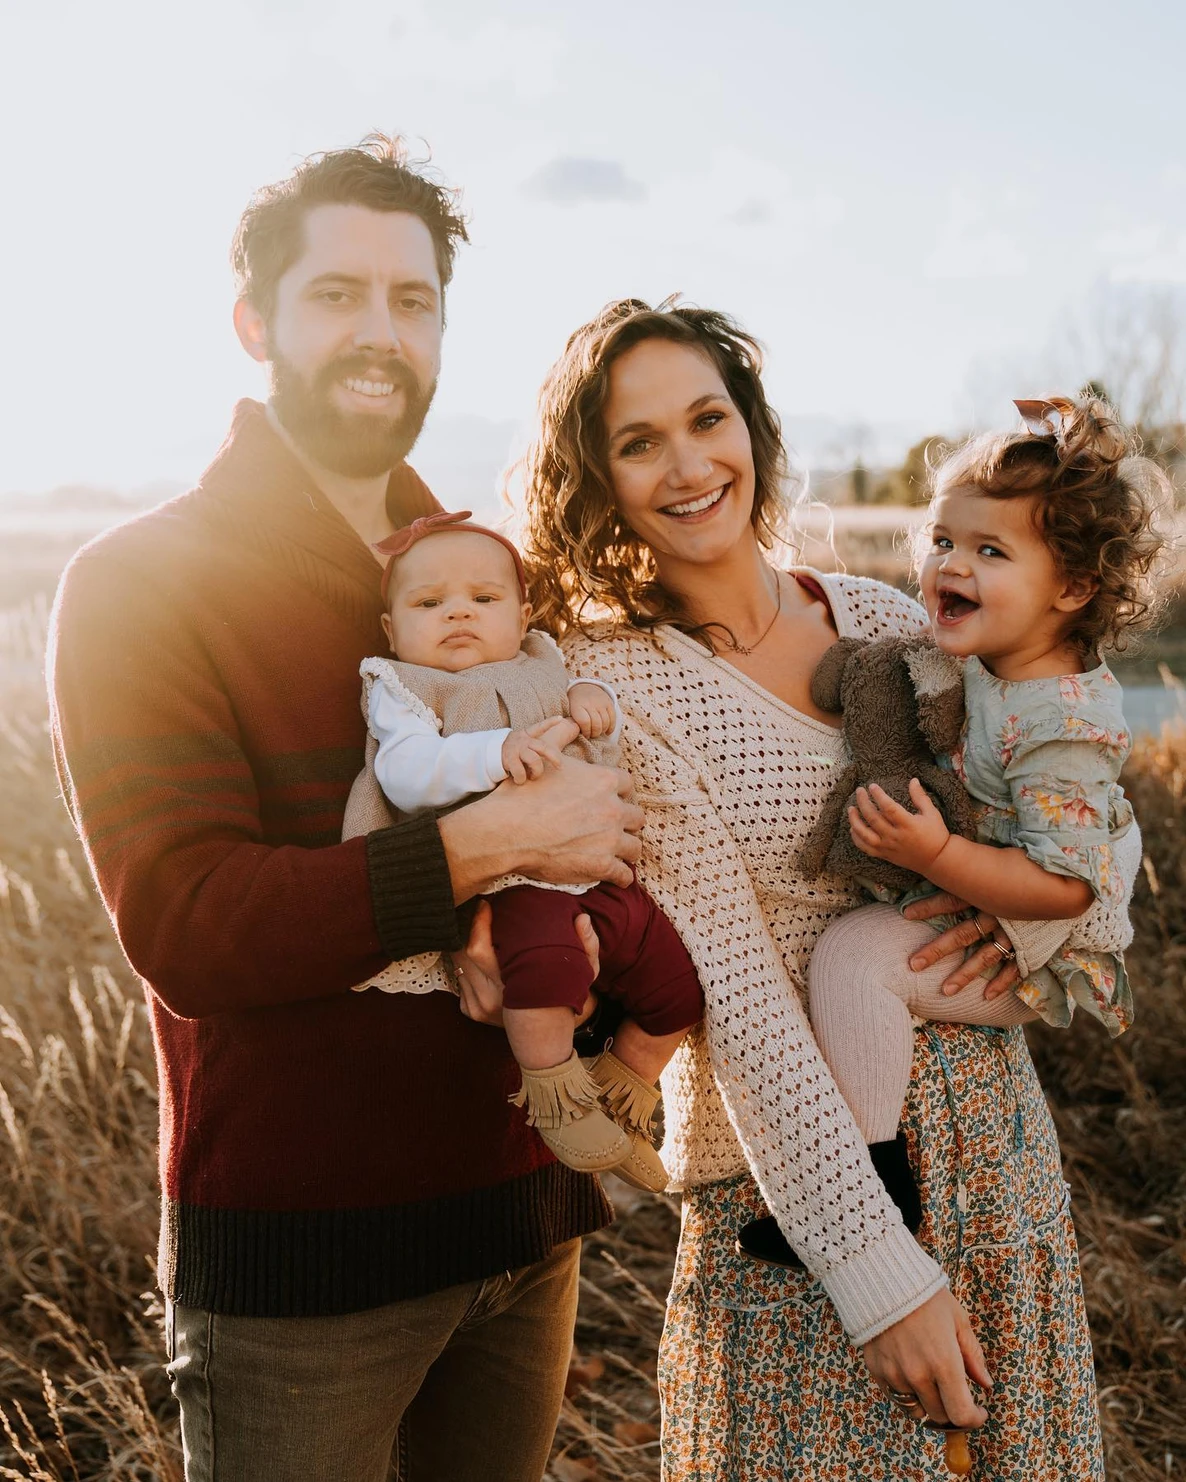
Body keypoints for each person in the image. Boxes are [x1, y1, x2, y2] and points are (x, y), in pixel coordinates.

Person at [47, 136, 644, 1482]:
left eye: (414, 301)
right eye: (337, 295)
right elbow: (190, 923)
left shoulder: (488, 576)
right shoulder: (143, 581)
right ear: (255, 321)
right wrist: (489, 844)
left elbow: (593, 825)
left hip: (522, 1219)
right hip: (302, 1271)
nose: (381, 334)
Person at [498, 298, 1128, 1477]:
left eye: (706, 418)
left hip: (988, 1148)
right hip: (796, 1200)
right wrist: (877, 1273)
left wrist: (1041, 943)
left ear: (752, 427)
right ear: (597, 478)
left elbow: (1056, 807)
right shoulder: (606, 686)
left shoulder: (890, 620)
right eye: (639, 443)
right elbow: (730, 989)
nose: (689, 466)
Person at [742, 393, 1163, 1263]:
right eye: (942, 541)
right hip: (990, 896)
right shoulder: (991, 661)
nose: (948, 566)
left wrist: (937, 854)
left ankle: (867, 1194)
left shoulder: (1060, 722)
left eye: (989, 550)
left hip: (1039, 943)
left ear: (1073, 587)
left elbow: (1067, 885)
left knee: (856, 956)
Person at [340, 508, 702, 1191]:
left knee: (676, 982)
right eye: (429, 603)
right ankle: (556, 1099)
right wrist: (493, 753)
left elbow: (584, 717)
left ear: (522, 612)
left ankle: (622, 1098)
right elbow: (406, 773)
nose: (458, 615)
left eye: (483, 600)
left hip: (595, 869)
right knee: (542, 973)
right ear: (391, 629)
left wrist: (594, 698)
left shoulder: (541, 660)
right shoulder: (403, 689)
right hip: (508, 881)